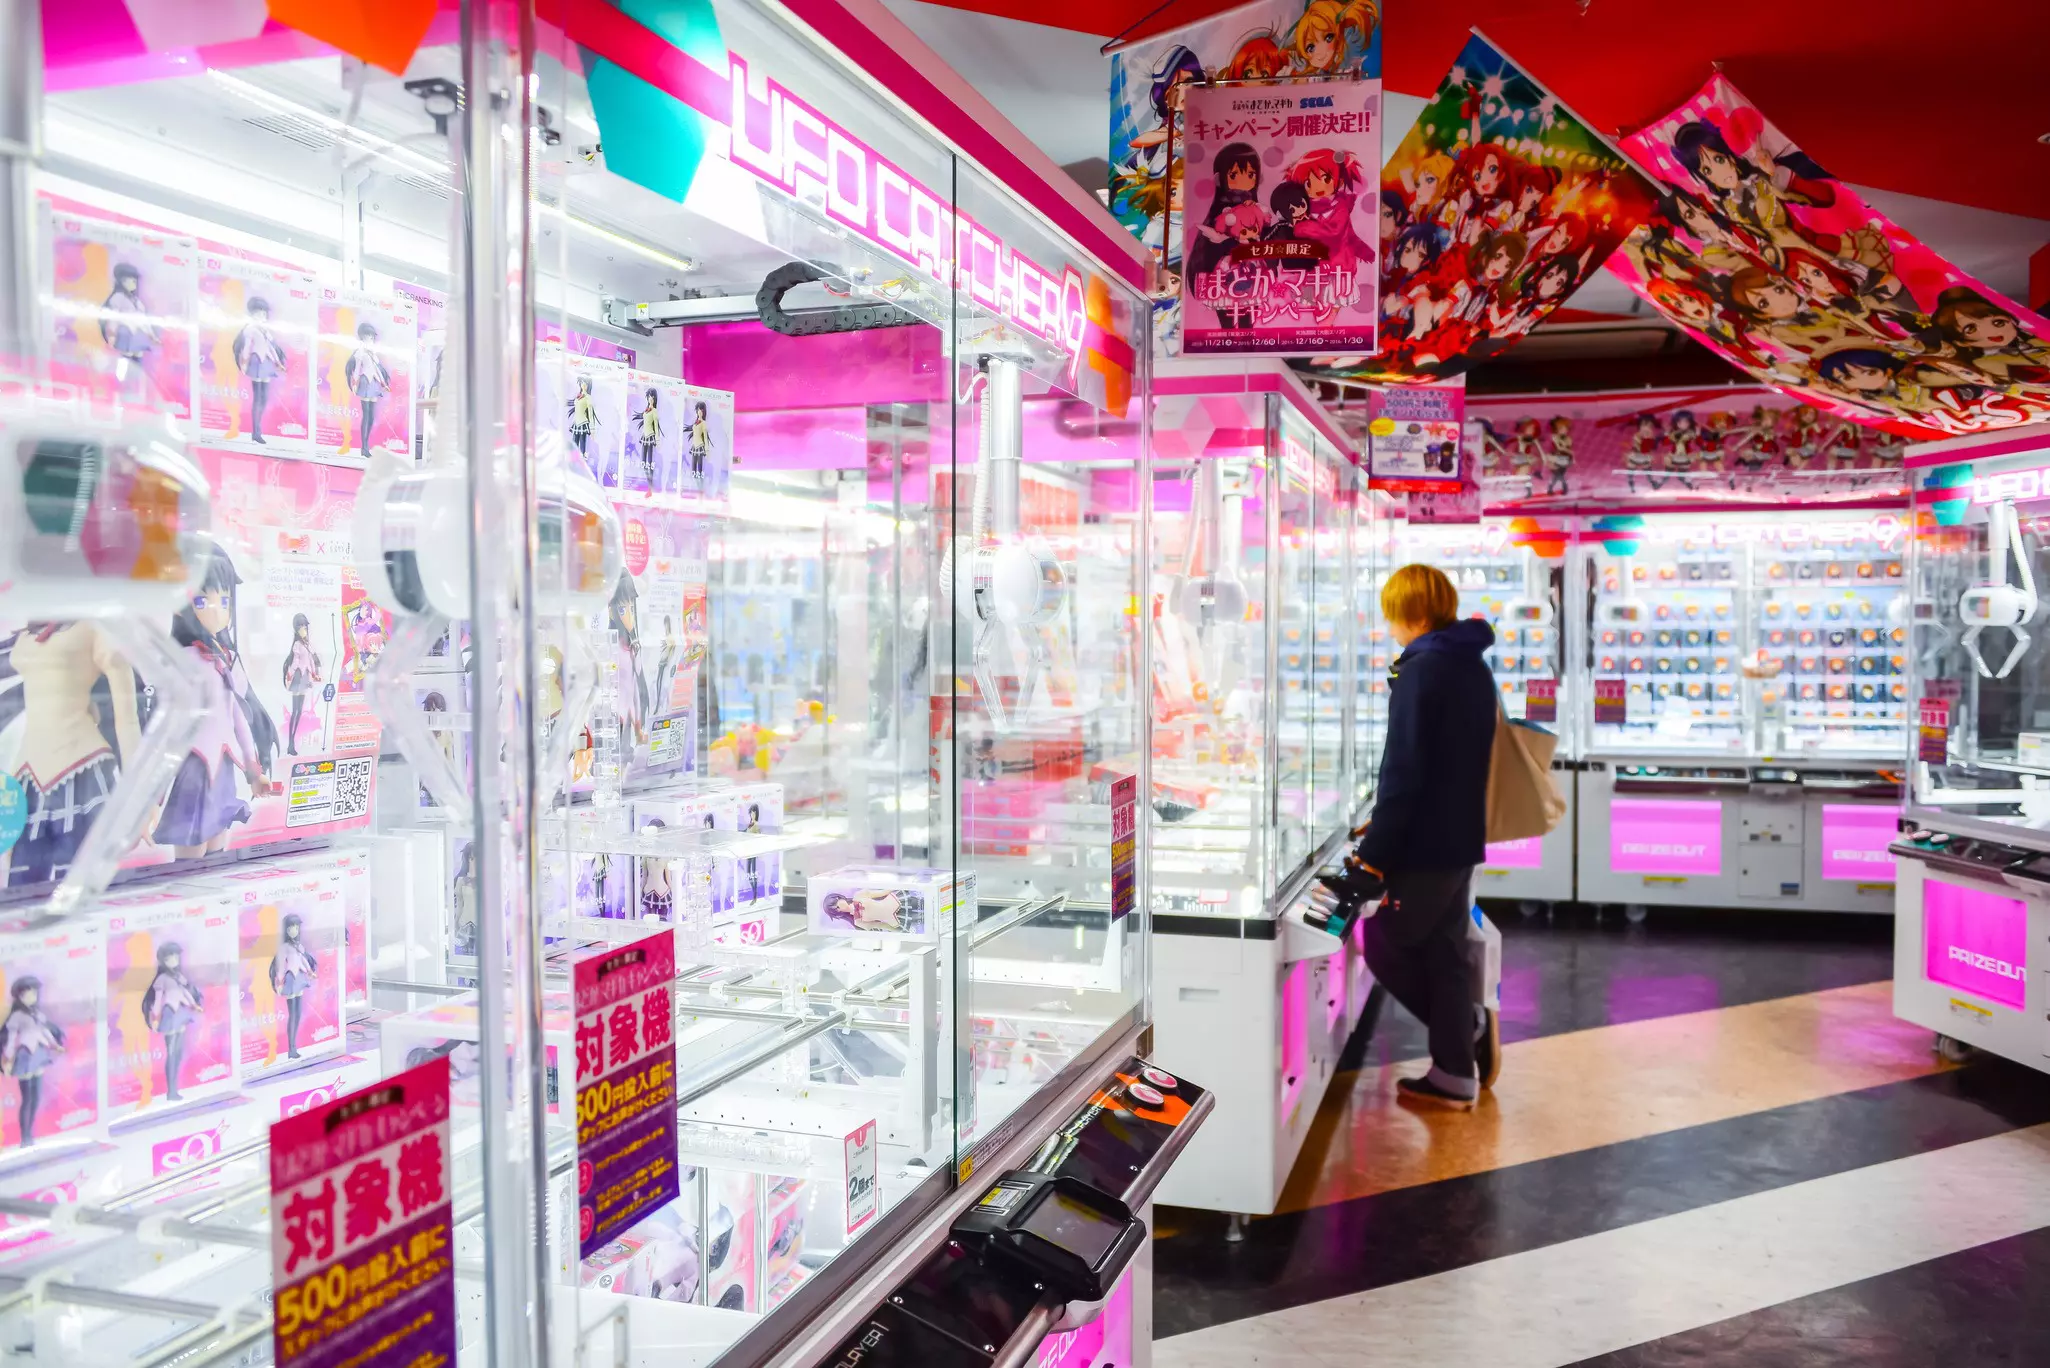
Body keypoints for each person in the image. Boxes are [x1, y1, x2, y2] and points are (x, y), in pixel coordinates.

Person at [1318, 564, 1499, 1109]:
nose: (1390, 624)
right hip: (1459, 836)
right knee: (1443, 950)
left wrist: (1375, 854)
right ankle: (1453, 1076)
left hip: (1424, 846)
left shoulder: (1422, 668)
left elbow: (1404, 771)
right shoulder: (1468, 664)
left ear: (1412, 611)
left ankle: (1461, 1031)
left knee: (1388, 944)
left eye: (1393, 612)